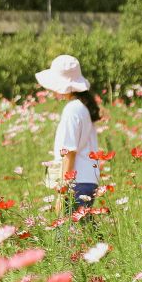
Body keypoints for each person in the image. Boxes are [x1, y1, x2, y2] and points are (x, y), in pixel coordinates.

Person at [35, 54, 102, 213]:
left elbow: (69, 152)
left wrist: (62, 192)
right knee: (85, 232)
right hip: (86, 180)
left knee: (64, 235)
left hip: (76, 182)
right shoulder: (82, 107)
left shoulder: (72, 109)